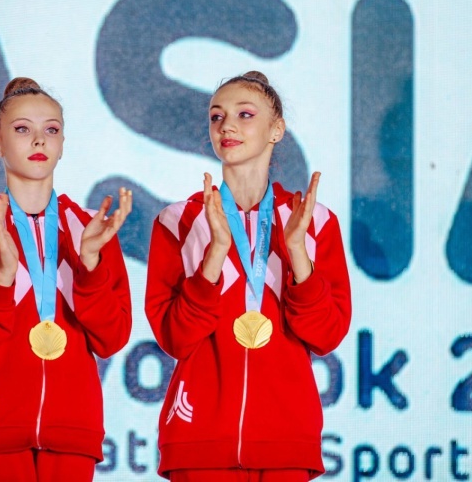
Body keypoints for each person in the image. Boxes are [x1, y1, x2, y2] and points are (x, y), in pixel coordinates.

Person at [145, 71, 352, 481]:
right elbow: (175, 337)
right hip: (198, 440)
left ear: (277, 130)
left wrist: (297, 252)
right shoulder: (178, 222)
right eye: (216, 116)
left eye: (244, 114)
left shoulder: (314, 221)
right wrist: (216, 253)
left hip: (286, 440)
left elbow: (326, 334)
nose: (227, 126)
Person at [0, 77, 132, 481]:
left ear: (62, 144)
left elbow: (111, 338)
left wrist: (90, 265)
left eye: (51, 130)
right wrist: (1, 281)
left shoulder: (90, 228)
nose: (39, 140)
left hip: (71, 434)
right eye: (22, 129)